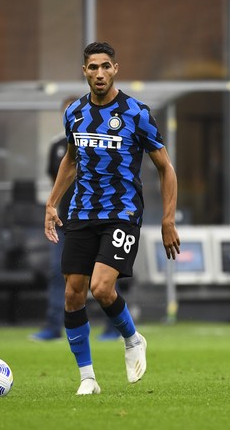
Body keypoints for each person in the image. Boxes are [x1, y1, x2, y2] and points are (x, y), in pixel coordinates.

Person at [44, 42, 180, 395]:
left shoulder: (136, 113)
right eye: (93, 67)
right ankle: (88, 378)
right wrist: (52, 204)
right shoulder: (74, 112)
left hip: (122, 213)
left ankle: (133, 339)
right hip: (81, 214)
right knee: (73, 294)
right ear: (85, 71)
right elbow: (71, 160)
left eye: (106, 66)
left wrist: (168, 220)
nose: (100, 73)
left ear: (116, 69)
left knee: (101, 287)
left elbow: (166, 168)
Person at [30, 97, 121, 341]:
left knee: (106, 275)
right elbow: (57, 179)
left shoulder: (101, 141)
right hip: (65, 222)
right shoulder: (57, 145)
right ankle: (53, 326)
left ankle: (114, 327)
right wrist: (54, 207)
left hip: (99, 218)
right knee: (58, 272)